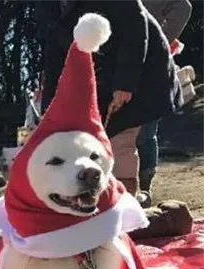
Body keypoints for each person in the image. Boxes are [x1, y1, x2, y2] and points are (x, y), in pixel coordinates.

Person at [36, 1, 182, 196]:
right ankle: (102, 201)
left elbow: (135, 29)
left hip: (143, 73)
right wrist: (48, 111)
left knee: (119, 140)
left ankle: (125, 202)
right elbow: (54, 54)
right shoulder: (47, 7)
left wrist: (124, 84)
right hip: (103, 76)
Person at [136, 0, 192, 204]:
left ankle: (144, 186)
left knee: (145, 131)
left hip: (149, 69)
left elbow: (184, 7)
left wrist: (158, 41)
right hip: (113, 65)